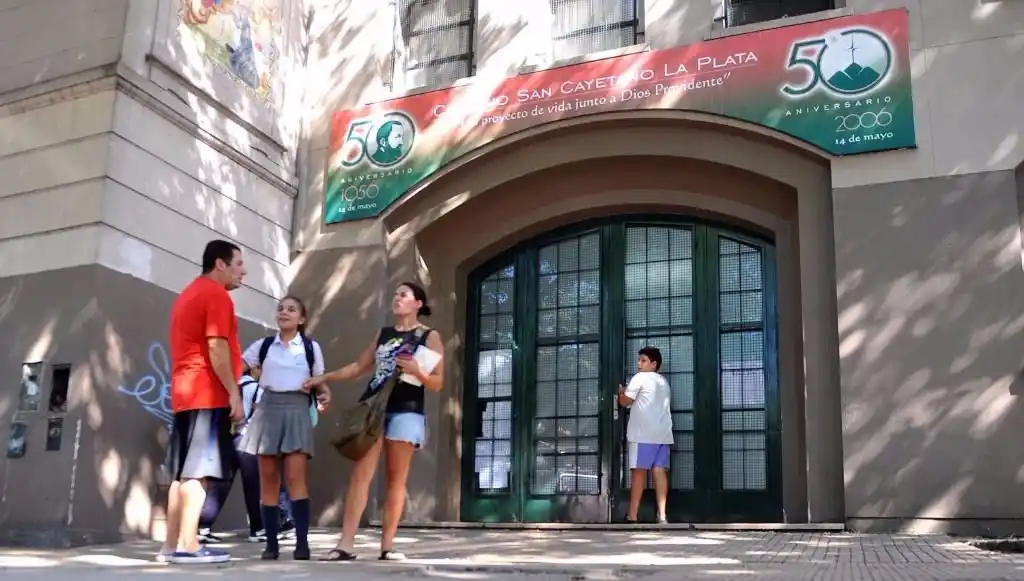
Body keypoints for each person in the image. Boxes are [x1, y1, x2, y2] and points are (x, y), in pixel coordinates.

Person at [304, 282, 444, 561]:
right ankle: (345, 544)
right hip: (373, 410)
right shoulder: (384, 333)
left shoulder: (429, 336)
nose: (397, 298)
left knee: (396, 479)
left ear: (418, 303)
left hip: (406, 409)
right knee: (360, 475)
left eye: (403, 295)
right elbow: (358, 367)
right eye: (395, 294)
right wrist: (325, 377)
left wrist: (418, 371)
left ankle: (387, 545)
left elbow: (438, 383)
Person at [158, 240, 246, 564]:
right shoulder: (216, 295)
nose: (243, 271)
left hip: (184, 393)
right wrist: (234, 392)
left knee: (182, 475)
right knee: (199, 473)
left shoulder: (188, 293)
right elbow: (217, 348)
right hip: (206, 392)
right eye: (238, 263)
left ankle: (170, 545)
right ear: (220, 264)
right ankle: (189, 544)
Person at [237, 296, 330, 560]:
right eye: (280, 308)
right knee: (268, 478)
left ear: (301, 319)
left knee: (295, 477)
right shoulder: (263, 346)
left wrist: (325, 393)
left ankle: (302, 544)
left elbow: (319, 381)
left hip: (298, 408)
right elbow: (237, 368)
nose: (284, 312)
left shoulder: (311, 348)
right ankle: (271, 544)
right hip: (267, 408)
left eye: (291, 309)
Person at [235, 366, 297, 543]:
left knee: (245, 486)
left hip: (234, 438)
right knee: (271, 482)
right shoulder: (257, 389)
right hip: (255, 439)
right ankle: (280, 522)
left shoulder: (235, 385)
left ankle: (257, 527)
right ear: (256, 369)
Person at [618, 346, 673, 524]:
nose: (638, 364)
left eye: (643, 360)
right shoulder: (663, 382)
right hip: (663, 433)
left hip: (642, 434)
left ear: (653, 363)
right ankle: (662, 515)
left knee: (639, 472)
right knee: (659, 471)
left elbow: (626, 401)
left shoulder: (640, 378)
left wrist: (620, 393)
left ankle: (632, 515)